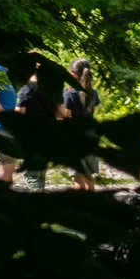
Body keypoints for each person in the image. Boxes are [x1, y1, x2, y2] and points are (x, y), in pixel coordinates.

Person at [14, 68, 62, 190]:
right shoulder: (51, 90)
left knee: (31, 174)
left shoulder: (26, 89)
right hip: (50, 133)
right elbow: (61, 113)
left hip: (32, 134)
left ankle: (40, 199)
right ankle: (42, 202)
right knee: (41, 171)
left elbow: (20, 113)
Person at [62, 58, 102, 191]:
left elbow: (66, 115)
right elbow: (93, 111)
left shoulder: (69, 94)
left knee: (78, 177)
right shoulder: (93, 92)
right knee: (88, 177)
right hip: (91, 137)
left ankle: (82, 207)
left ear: (73, 75)